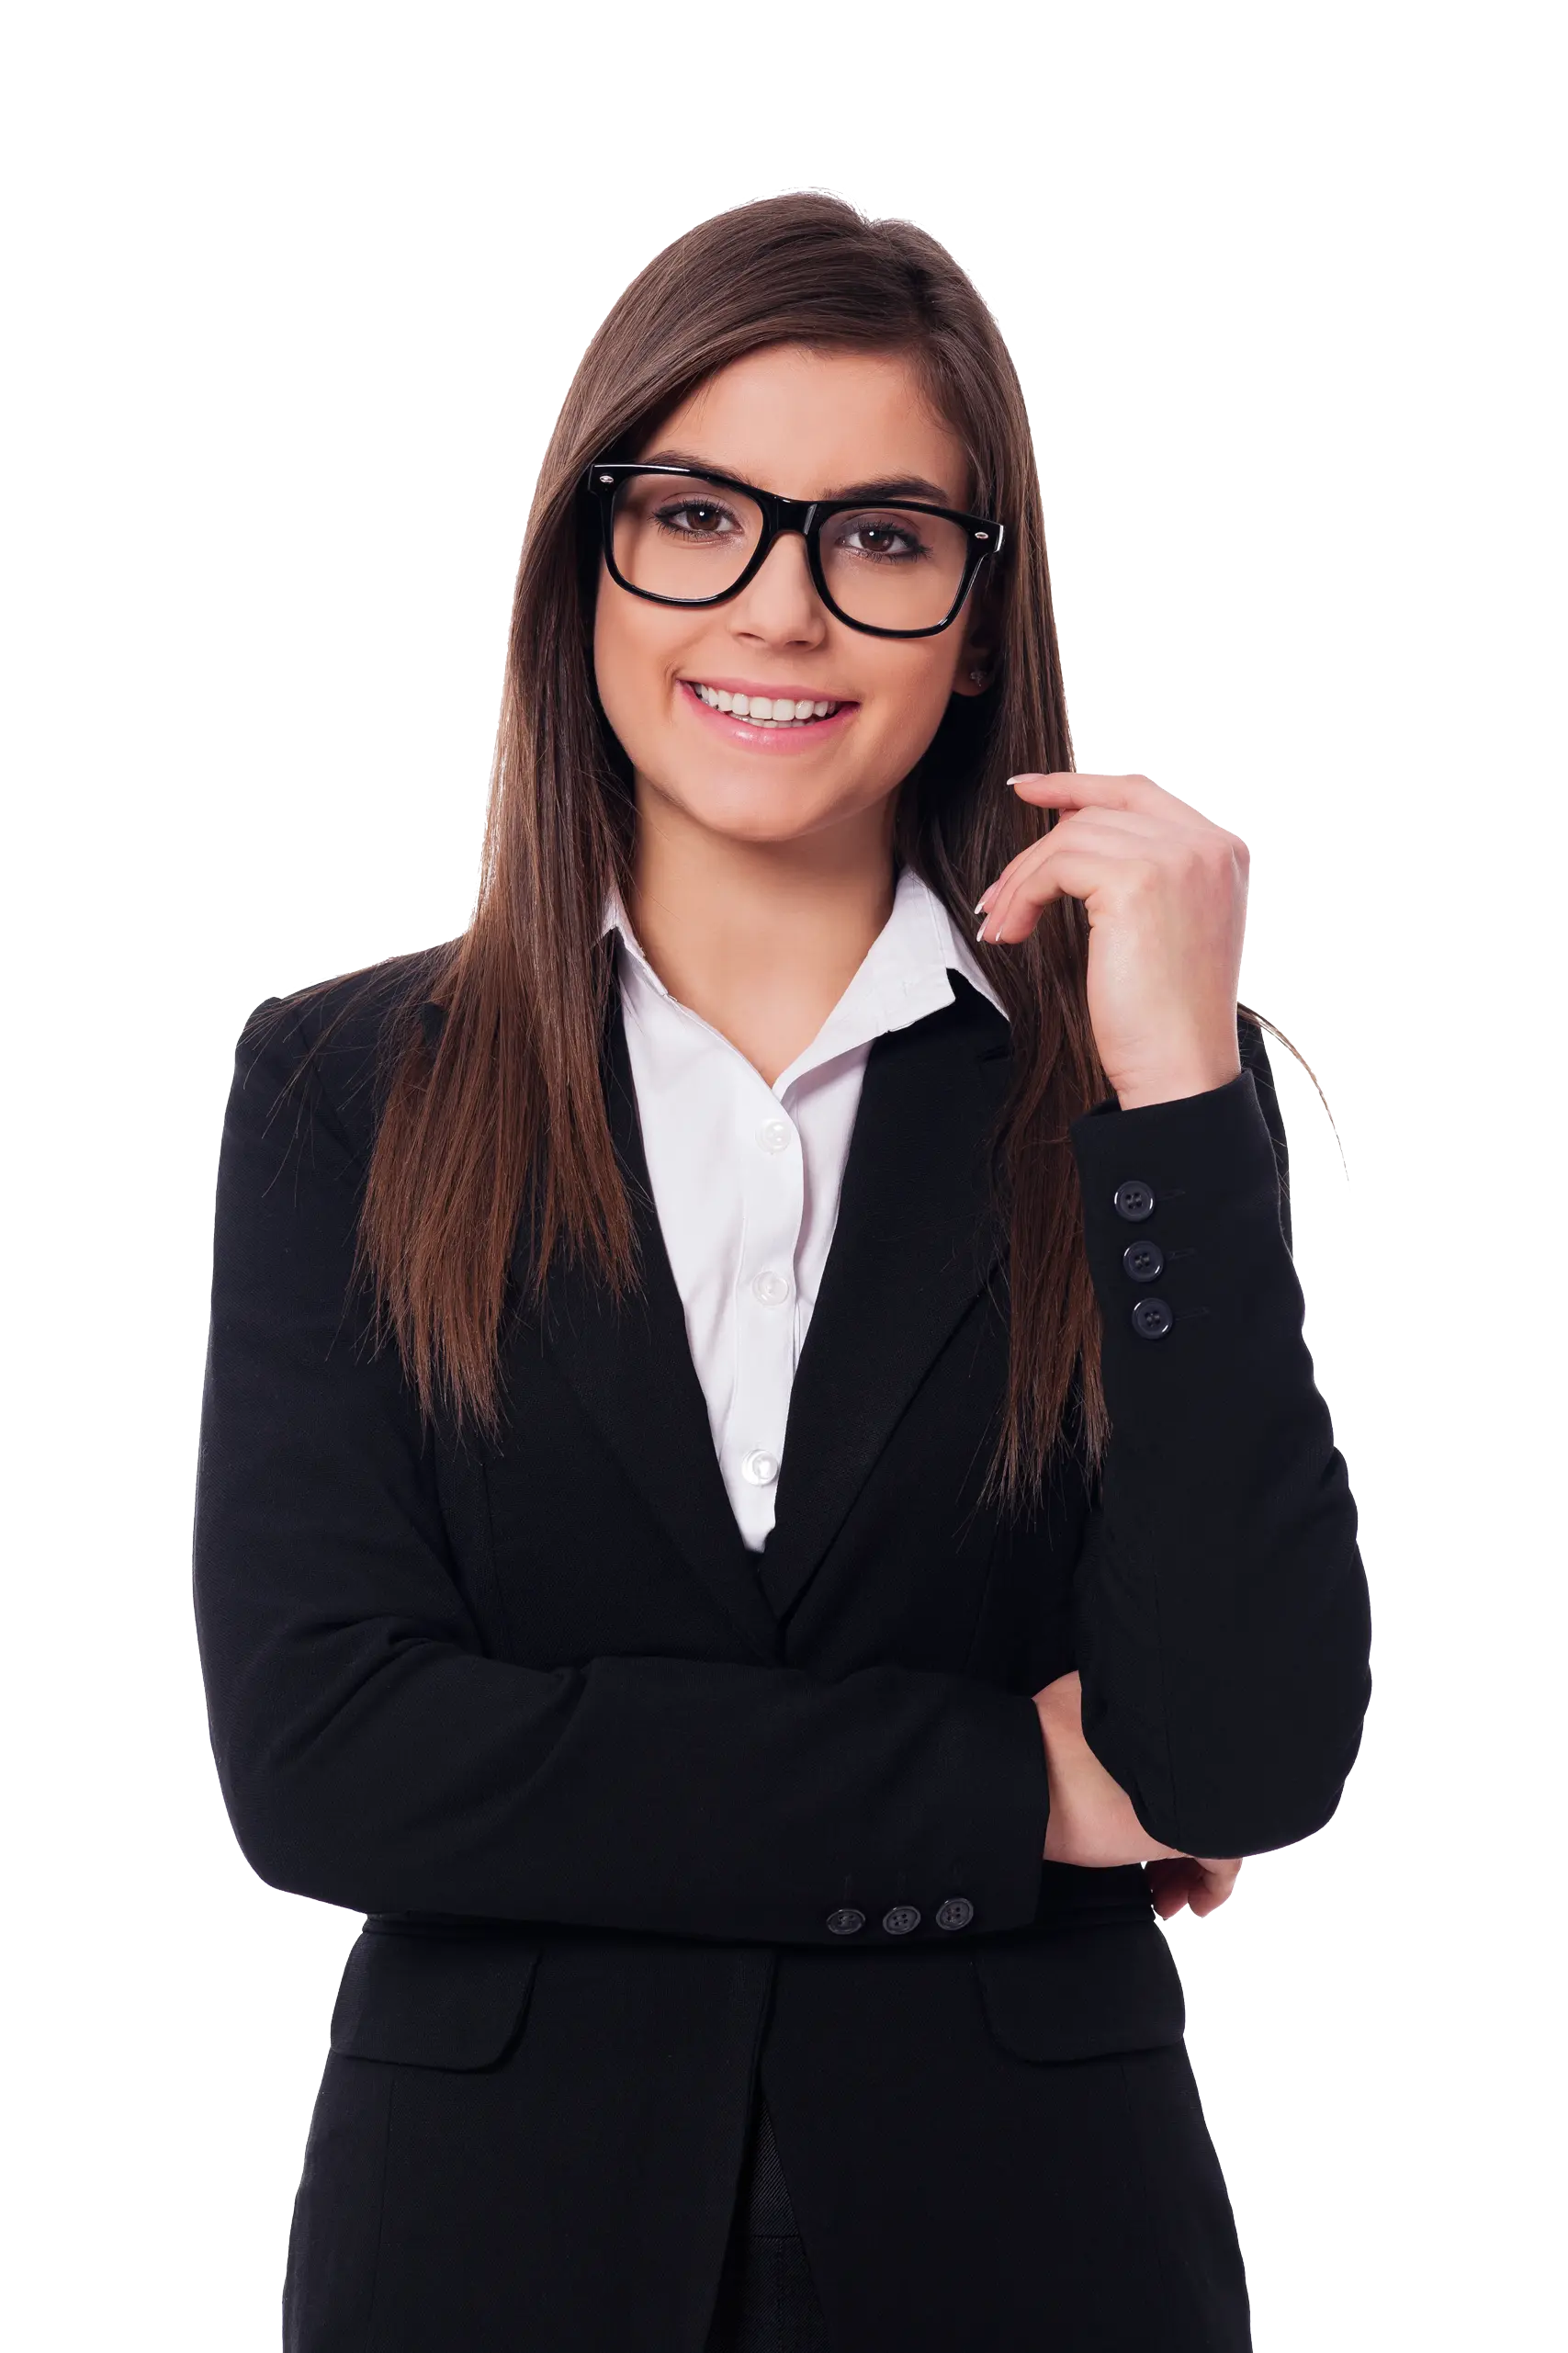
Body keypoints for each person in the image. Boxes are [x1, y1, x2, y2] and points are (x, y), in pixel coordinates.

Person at [192, 190, 1372, 2352]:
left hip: (1035, 2254)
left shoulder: (1130, 1099)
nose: (781, 606)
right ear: (586, 564)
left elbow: (1240, 1756)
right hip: (489, 2256)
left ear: (977, 620)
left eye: (881, 538)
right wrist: (1006, 1786)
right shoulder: (347, 1090)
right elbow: (329, 1751)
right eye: (698, 517)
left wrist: (1179, 1089)